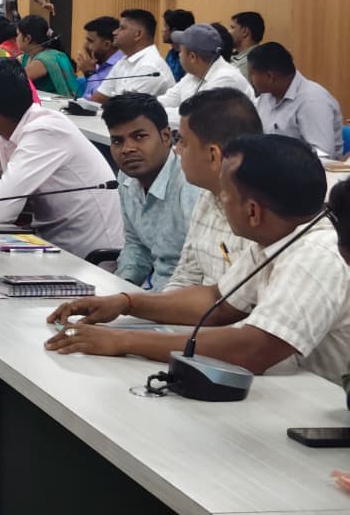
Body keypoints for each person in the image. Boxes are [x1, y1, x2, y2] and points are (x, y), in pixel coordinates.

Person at [45, 135, 350, 386]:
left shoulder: (316, 255)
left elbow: (254, 350)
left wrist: (122, 341)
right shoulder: (280, 237)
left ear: (253, 211)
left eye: (225, 195)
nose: (221, 201)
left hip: (320, 407)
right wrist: (127, 303)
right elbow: (217, 301)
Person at [0, 58, 122, 257]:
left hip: (90, 259)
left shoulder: (46, 131)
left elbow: (1, 211)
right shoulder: (4, 136)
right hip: (50, 249)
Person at [164, 88, 263, 289]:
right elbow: (185, 277)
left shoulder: (263, 214)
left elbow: (246, 303)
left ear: (213, 155)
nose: (177, 150)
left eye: (182, 142)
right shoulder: (207, 194)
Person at [100, 93, 201, 290]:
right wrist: (123, 287)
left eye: (139, 137)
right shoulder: (125, 178)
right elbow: (137, 246)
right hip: (151, 294)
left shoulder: (190, 184)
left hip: (184, 297)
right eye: (117, 141)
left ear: (166, 136)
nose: (127, 149)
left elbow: (201, 270)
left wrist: (140, 303)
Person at [248, 42, 343, 158]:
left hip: (309, 168)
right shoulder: (266, 96)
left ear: (270, 77)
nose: (250, 79)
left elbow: (323, 155)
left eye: (252, 74)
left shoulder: (312, 101)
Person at [156, 23, 254, 109]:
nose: (179, 55)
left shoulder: (226, 79)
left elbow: (195, 118)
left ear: (192, 57)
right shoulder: (194, 74)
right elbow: (167, 100)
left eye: (181, 51)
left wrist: (154, 115)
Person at [91, 9, 175, 101]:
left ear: (138, 34)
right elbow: (99, 98)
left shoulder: (150, 67)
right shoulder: (124, 60)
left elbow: (128, 108)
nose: (114, 32)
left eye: (122, 28)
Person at [15, 16, 78, 98]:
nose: (16, 38)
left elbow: (15, 80)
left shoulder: (45, 59)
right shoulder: (27, 56)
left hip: (57, 104)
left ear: (28, 38)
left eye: (17, 35)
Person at [77, 16, 124, 100]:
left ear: (106, 45)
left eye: (90, 41)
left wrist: (90, 73)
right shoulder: (99, 62)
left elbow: (100, 100)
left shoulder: (120, 65)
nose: (85, 46)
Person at [161, 9, 195, 82]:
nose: (162, 30)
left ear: (174, 31)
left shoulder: (190, 57)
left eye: (165, 26)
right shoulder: (171, 53)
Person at [228, 11, 265, 77]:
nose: (228, 32)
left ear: (245, 31)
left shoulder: (251, 63)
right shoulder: (232, 53)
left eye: (232, 27)